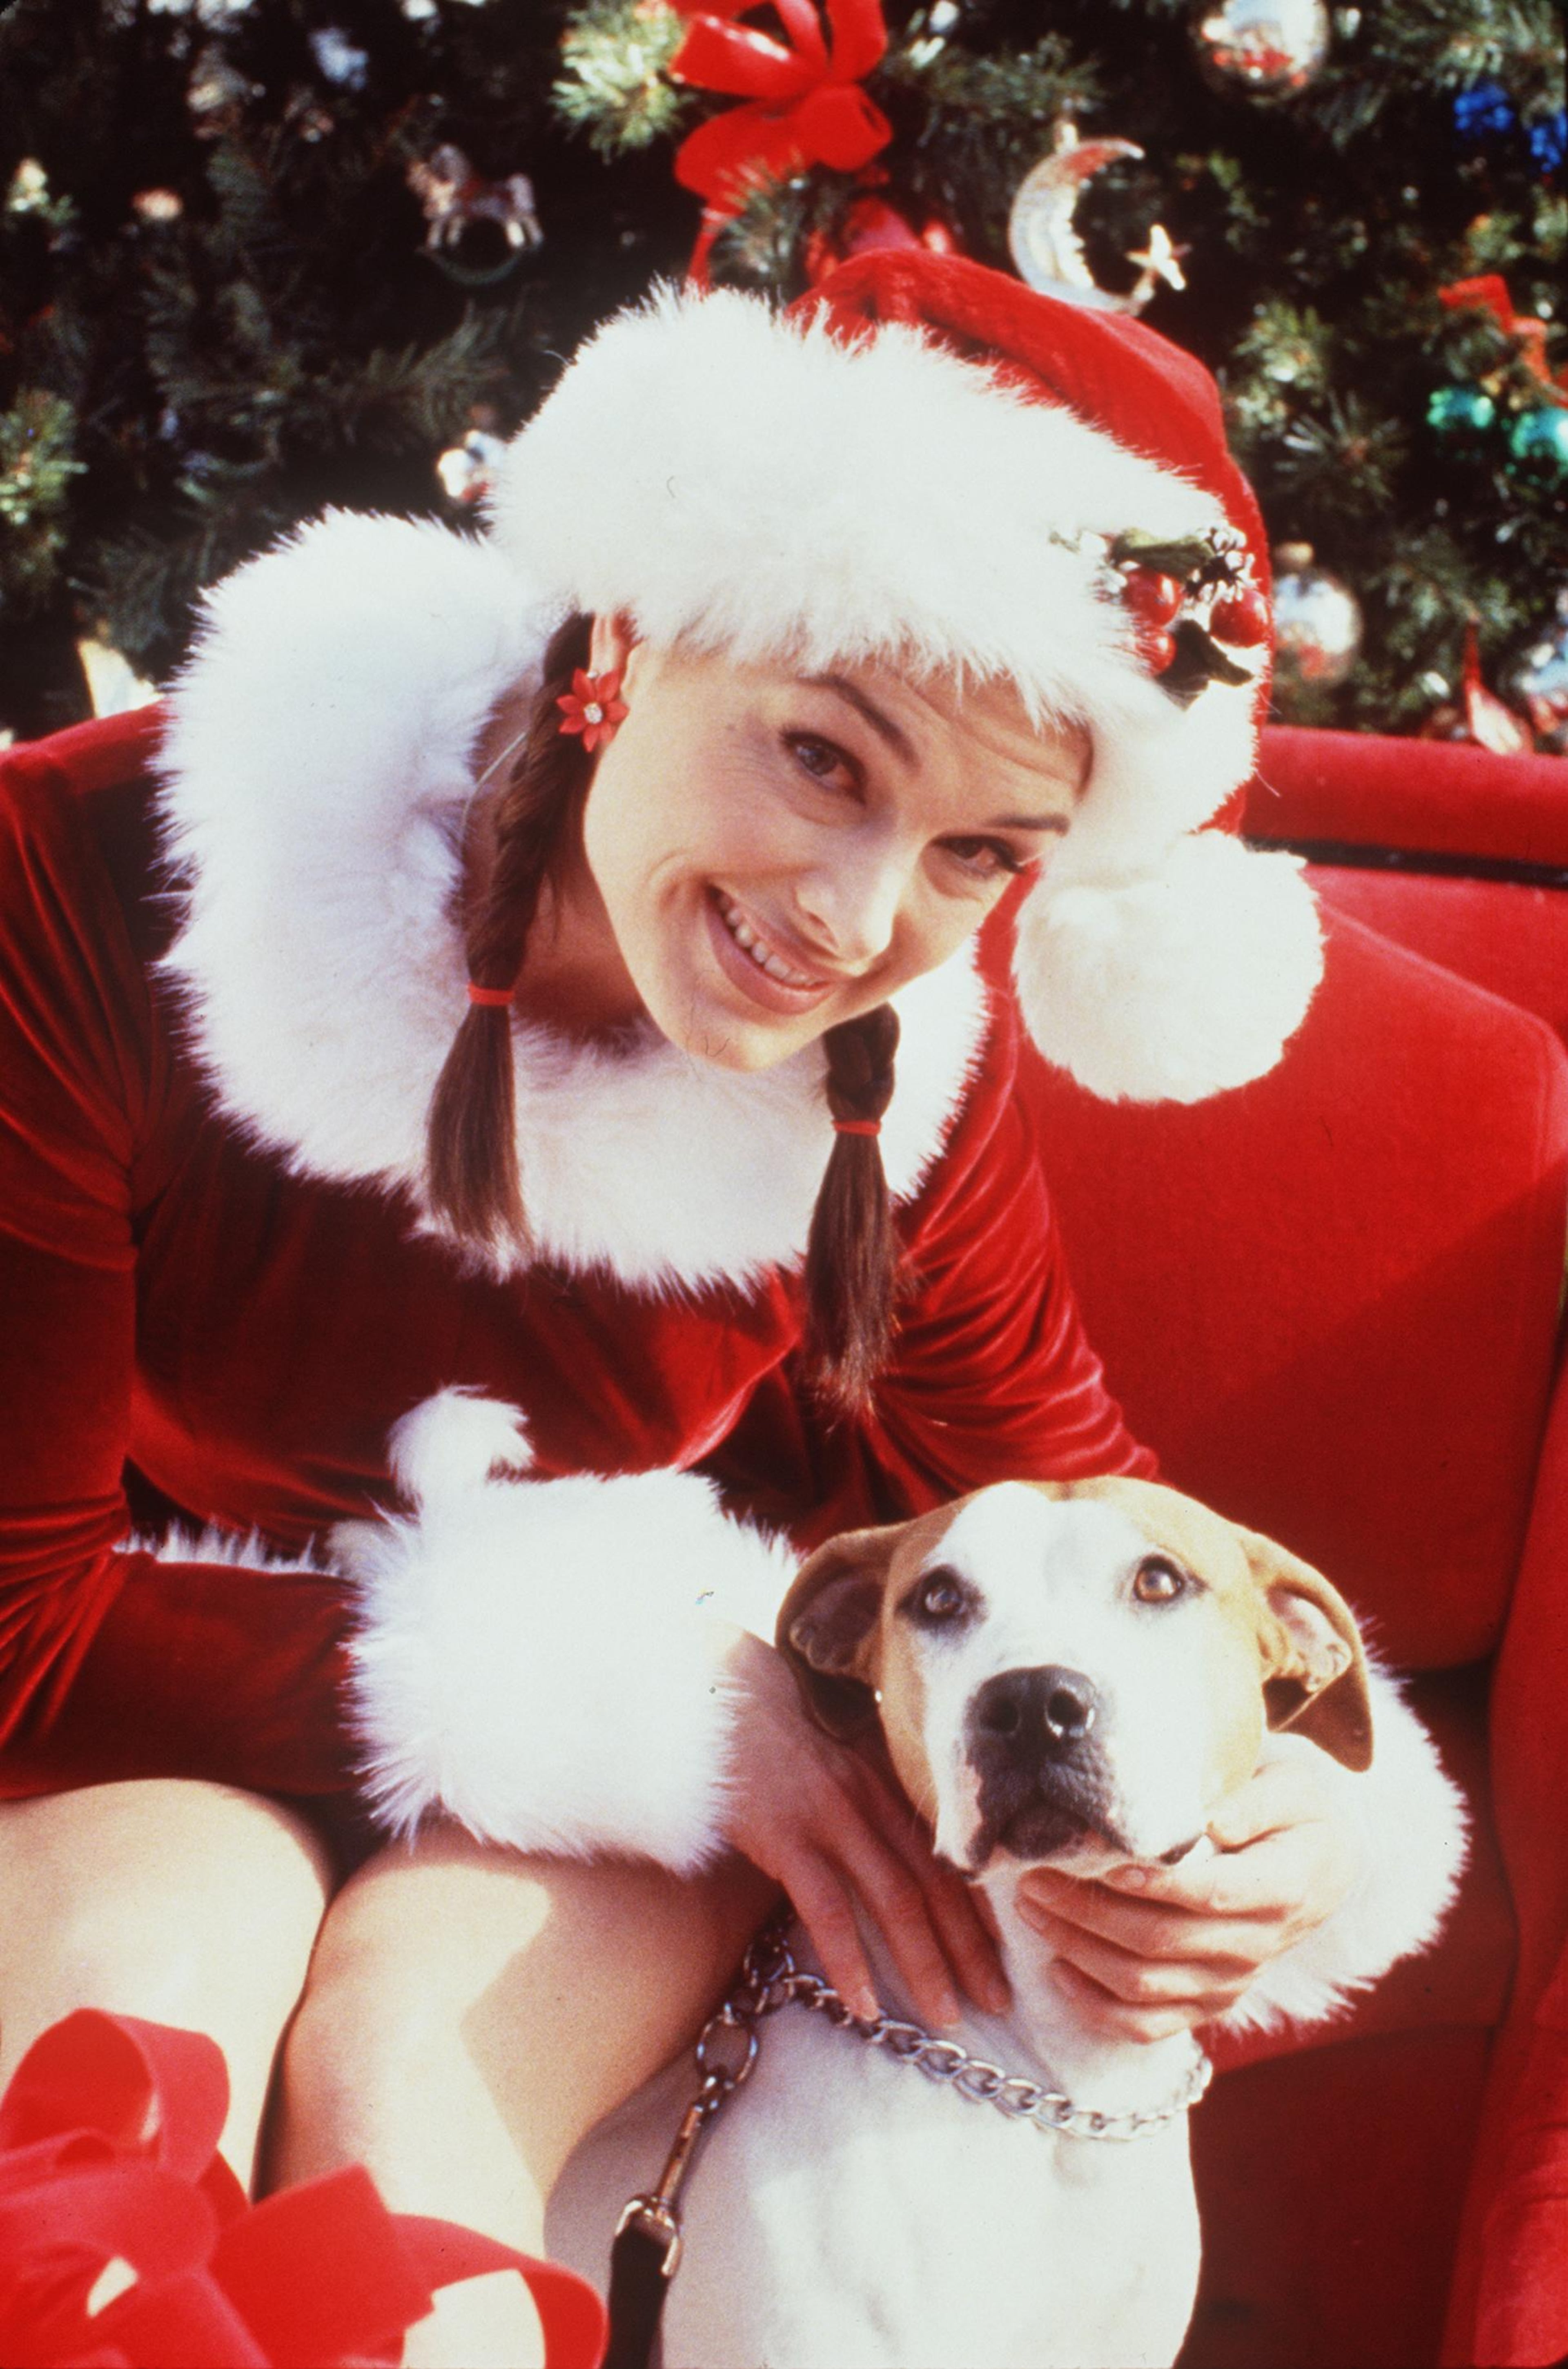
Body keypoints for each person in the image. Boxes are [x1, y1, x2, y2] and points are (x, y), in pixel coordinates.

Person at [0, 251, 1455, 2367]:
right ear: (627, 635)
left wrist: (1293, 1806)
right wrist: (669, 1708)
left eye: (982, 853)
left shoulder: (903, 1084)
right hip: (133, 1686)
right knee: (125, 2032)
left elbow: (1058, 1493)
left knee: (412, 2069)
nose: (864, 922)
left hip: (592, 1780)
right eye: (822, 758)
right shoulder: (88, 882)